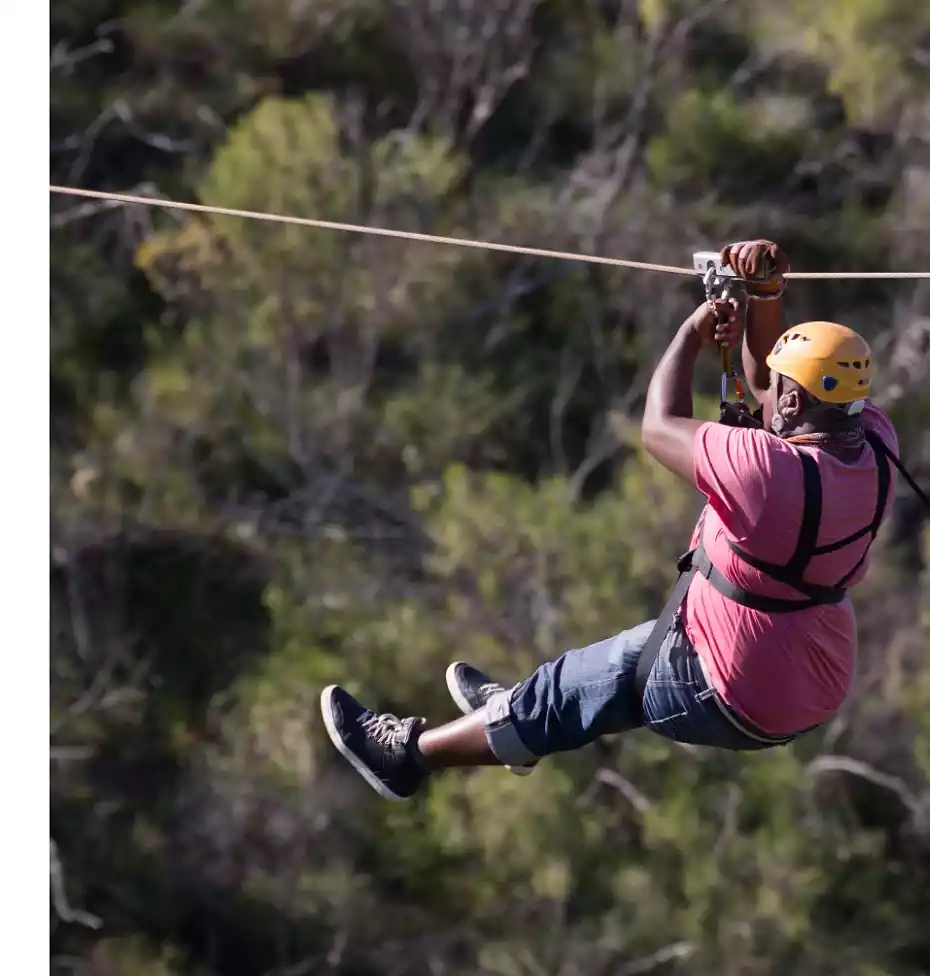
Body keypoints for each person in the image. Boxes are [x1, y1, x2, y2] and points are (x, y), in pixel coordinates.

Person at [318, 239, 899, 800]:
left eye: (783, 390)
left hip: (727, 685)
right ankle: (512, 718)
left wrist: (690, 335)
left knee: (575, 687)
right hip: (810, 682)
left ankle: (408, 757)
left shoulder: (766, 471)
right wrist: (764, 296)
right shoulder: (875, 448)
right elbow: (767, 388)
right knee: (582, 690)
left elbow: (660, 425)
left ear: (794, 404)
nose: (769, 394)